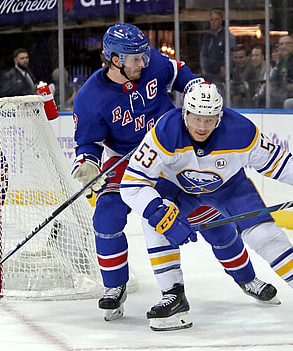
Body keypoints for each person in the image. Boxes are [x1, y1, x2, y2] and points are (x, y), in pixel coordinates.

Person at [70, 23, 277, 322]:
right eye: (135, 59)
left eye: (144, 56)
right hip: (128, 162)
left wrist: (196, 89)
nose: (144, 62)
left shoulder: (150, 59)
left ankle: (246, 278)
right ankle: (115, 287)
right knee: (107, 216)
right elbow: (88, 142)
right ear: (115, 60)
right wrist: (87, 161)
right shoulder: (90, 97)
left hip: (174, 155)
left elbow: (180, 73)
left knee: (212, 220)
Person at [120, 82, 293, 330]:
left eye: (209, 119)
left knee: (265, 234)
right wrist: (158, 212)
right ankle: (173, 296)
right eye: (196, 118)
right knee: (156, 226)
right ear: (185, 112)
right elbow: (132, 184)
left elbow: (278, 163)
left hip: (230, 187)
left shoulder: (241, 130)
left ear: (219, 116)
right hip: (176, 188)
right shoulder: (164, 132)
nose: (201, 126)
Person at [199, 10, 236, 91]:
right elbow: (203, 54)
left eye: (216, 19)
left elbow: (230, 53)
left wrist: (227, 68)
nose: (213, 22)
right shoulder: (207, 36)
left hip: (220, 74)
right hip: (208, 73)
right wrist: (203, 69)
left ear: (221, 21)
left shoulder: (227, 36)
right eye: (211, 19)